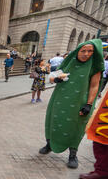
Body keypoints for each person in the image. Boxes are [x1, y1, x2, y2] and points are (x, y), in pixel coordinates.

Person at [39, 40, 104, 169]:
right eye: (83, 50)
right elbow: (52, 77)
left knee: (77, 126)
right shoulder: (69, 61)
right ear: (78, 51)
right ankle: (50, 145)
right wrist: (55, 79)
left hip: (80, 101)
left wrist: (89, 104)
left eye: (90, 51)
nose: (86, 54)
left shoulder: (94, 66)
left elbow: (94, 86)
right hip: (60, 99)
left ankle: (73, 154)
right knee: (54, 121)